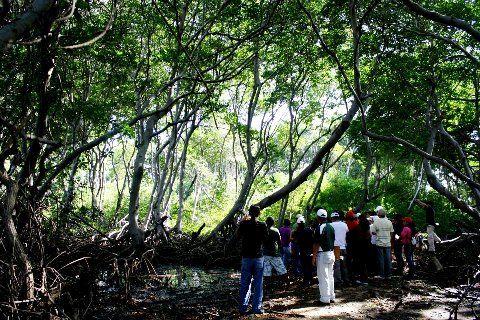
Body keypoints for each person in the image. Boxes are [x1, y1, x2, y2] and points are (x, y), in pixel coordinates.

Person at [237, 205, 268, 315]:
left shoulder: (244, 224)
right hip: (258, 257)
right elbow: (265, 239)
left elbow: (238, 236)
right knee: (258, 284)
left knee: (245, 283)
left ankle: (242, 308)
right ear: (259, 213)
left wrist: (243, 220)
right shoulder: (262, 225)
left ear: (249, 213)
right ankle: (256, 308)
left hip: (246, 257)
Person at [312, 209, 336, 305]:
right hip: (331, 253)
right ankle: (331, 296)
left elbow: (317, 243)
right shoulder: (331, 227)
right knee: (330, 276)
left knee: (323, 277)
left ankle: (325, 298)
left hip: (323, 254)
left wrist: (313, 257)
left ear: (318, 218)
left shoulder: (319, 228)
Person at [370, 206, 394, 279]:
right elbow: (392, 232)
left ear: (378, 215)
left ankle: (381, 274)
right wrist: (389, 238)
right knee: (388, 259)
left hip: (379, 242)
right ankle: (389, 274)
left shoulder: (376, 222)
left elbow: (373, 232)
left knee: (381, 259)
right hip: (387, 243)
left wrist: (378, 233)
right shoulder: (389, 221)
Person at [350, 213, 371, 284]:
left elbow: (354, 238)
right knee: (364, 263)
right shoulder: (367, 227)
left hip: (359, 247)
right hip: (366, 247)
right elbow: (369, 235)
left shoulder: (357, 228)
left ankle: (363, 279)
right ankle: (364, 278)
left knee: (361, 264)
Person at [292, 216, 314, 285]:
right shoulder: (309, 230)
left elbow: (297, 241)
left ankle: (306, 280)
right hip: (310, 250)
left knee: (304, 265)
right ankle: (310, 279)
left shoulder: (298, 232)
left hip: (303, 250)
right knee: (309, 265)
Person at [330, 211, 349, 285]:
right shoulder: (344, 225)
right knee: (344, 265)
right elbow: (347, 232)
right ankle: (345, 279)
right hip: (343, 247)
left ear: (332, 218)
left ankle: (338, 281)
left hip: (335, 248)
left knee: (337, 265)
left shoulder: (330, 225)